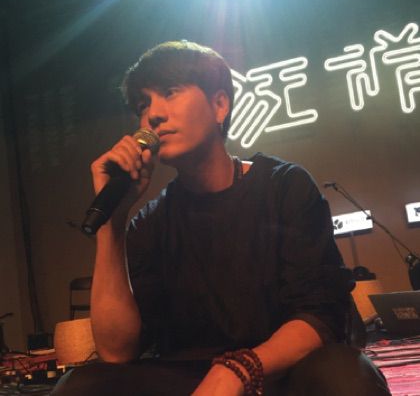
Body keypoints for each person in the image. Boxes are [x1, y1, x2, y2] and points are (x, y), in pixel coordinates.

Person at [52, 40, 390, 395]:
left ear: (219, 105)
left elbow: (320, 316)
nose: (153, 114)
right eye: (143, 104)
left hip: (280, 372)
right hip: (190, 378)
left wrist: (238, 370)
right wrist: (113, 222)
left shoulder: (284, 186)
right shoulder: (151, 223)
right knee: (80, 386)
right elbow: (116, 351)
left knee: (345, 375)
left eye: (169, 92)